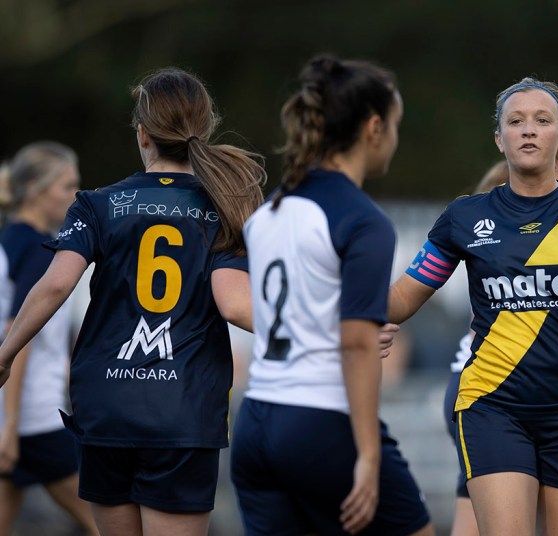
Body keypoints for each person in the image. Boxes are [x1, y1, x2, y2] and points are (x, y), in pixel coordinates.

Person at [390, 77, 558, 536]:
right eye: (515, 122)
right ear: (499, 138)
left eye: (542, 120)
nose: (529, 130)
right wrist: (354, 311)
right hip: (493, 407)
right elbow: (402, 298)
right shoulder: (464, 217)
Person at [0, 68, 263, 536]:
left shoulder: (96, 204)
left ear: (142, 134)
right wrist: (331, 333)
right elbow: (234, 305)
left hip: (106, 409)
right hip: (181, 411)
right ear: (204, 131)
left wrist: (5, 352)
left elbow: (55, 286)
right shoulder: (224, 206)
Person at [231, 54, 434, 536]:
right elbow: (358, 343)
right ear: (373, 128)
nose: (397, 138)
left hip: (255, 424)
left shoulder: (269, 212)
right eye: (396, 125)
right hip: (321, 422)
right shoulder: (362, 220)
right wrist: (366, 455)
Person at [0, 142, 98, 535]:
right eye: (67, 186)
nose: (76, 196)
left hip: (15, 417)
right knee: (107, 524)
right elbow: (16, 339)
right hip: (34, 420)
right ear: (39, 190)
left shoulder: (10, 241)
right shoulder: (41, 250)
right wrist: (10, 428)